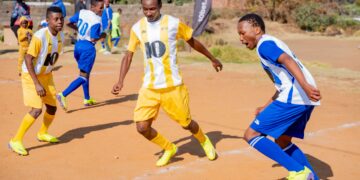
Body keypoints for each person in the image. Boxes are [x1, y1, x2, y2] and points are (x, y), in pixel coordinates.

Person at [111, 0, 223, 167]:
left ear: (160, 7)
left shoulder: (172, 23)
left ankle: (203, 139)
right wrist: (120, 80)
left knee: (187, 125)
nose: (148, 13)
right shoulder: (137, 28)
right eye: (145, 9)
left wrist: (212, 58)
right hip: (149, 88)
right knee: (142, 127)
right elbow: (128, 55)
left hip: (173, 87)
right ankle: (169, 148)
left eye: (152, 9)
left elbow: (191, 40)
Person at [238, 13, 321, 180]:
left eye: (242, 32)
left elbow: (287, 60)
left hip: (296, 96)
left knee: (251, 135)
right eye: (238, 34)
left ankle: (299, 171)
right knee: (282, 141)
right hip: (302, 98)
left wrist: (304, 86)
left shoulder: (264, 45)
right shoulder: (271, 41)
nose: (241, 38)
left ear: (256, 29)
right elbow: (284, 83)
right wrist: (266, 106)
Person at [8, 6, 64, 156]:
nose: (60, 22)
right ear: (48, 21)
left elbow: (49, 59)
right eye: (56, 19)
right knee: (37, 109)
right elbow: (28, 59)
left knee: (52, 107)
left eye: (61, 18)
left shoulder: (61, 37)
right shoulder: (40, 37)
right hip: (31, 75)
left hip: (46, 76)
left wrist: (47, 77)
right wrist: (37, 83)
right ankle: (15, 140)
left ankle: (42, 133)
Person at [56, 0, 105, 111]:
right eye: (100, 7)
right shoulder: (97, 20)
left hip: (78, 46)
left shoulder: (82, 12)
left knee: (84, 74)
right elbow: (93, 38)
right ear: (93, 7)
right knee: (83, 76)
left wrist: (79, 30)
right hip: (88, 49)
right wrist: (103, 35)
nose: (102, 10)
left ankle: (87, 98)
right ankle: (63, 94)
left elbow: (68, 22)